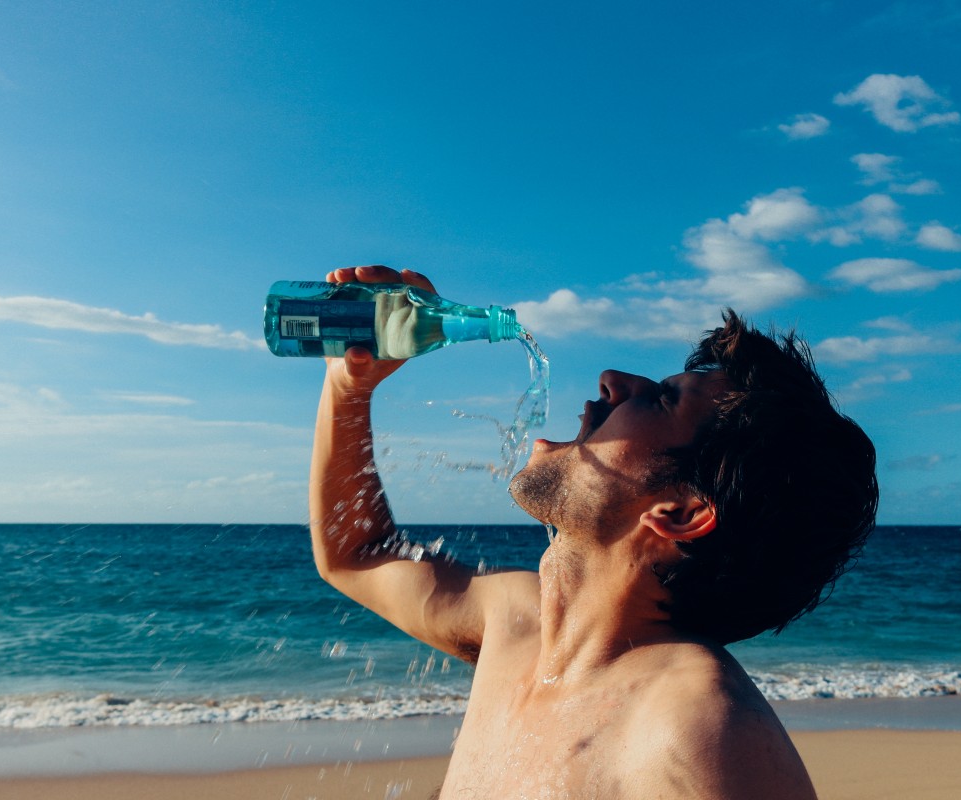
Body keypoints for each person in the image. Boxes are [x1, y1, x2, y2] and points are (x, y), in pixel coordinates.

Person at [309, 265, 878, 799]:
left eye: (661, 399)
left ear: (681, 512)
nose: (612, 381)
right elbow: (355, 555)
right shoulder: (515, 622)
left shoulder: (698, 726)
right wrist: (349, 387)